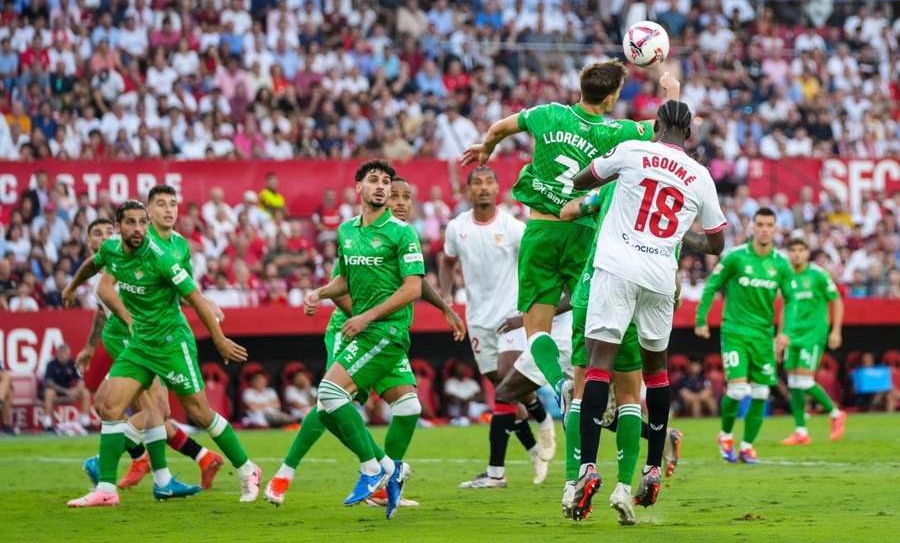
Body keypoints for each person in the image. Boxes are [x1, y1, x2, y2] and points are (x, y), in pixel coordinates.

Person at [461, 62, 679, 421]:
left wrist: (486, 148)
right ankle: (593, 389)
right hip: (585, 232)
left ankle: (560, 385)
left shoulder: (548, 114)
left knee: (535, 332)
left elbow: (500, 128)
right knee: (589, 322)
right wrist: (671, 91)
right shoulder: (618, 131)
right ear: (610, 99)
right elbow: (666, 132)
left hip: (541, 230)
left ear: (581, 87)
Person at [266, 163, 464, 519]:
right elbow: (345, 282)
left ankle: (378, 469)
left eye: (392, 186)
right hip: (352, 328)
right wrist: (321, 293)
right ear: (357, 187)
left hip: (379, 329)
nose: (387, 191)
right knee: (330, 400)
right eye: (377, 182)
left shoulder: (402, 233)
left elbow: (413, 286)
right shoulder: (346, 232)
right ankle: (300, 472)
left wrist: (371, 316)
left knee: (391, 405)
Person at [570, 100, 726, 524]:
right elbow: (716, 245)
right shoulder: (700, 176)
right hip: (660, 275)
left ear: (655, 125)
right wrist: (677, 238)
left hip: (616, 268)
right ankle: (654, 467)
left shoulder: (632, 151)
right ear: (689, 134)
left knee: (598, 365)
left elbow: (583, 181)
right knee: (655, 372)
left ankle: (586, 469)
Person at [62, 200, 259, 507]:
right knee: (110, 406)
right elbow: (93, 264)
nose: (139, 229)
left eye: (142, 222)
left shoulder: (162, 258)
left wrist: (219, 339)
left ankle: (247, 468)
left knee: (199, 413)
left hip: (171, 344)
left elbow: (193, 297)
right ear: (120, 227)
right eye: (131, 223)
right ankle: (106, 488)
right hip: (140, 345)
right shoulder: (112, 250)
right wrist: (72, 287)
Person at [551, 177, 685, 519]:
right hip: (643, 295)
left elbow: (568, 211)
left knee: (580, 390)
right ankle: (624, 489)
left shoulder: (613, 188)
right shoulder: (670, 200)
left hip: (595, 291)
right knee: (629, 397)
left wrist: (588, 211)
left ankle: (573, 483)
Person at [77, 215, 225, 490]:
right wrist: (89, 346)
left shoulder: (129, 261)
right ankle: (180, 465)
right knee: (114, 406)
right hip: (126, 341)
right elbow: (102, 313)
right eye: (97, 233)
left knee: (155, 409)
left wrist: (205, 302)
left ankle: (150, 466)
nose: (104, 237)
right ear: (88, 241)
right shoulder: (104, 269)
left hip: (145, 339)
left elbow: (170, 291)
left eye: (109, 231)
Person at [439, 166, 558, 488]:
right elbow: (447, 260)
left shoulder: (513, 227)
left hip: (511, 316)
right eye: (476, 183)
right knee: (507, 392)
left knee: (508, 382)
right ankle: (533, 450)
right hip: (478, 320)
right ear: (467, 191)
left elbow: (535, 263)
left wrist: (529, 310)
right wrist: (446, 294)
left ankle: (538, 428)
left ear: (497, 188)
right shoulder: (456, 228)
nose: (483, 188)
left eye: (489, 182)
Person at [695, 207, 793, 465]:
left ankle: (747, 446)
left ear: (775, 228)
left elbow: (792, 302)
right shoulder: (736, 257)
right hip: (735, 331)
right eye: (759, 224)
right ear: (752, 227)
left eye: (769, 225)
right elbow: (712, 285)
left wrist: (785, 334)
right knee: (738, 390)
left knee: (761, 392)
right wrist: (701, 319)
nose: (764, 229)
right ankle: (726, 435)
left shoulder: (781, 264)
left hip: (764, 336)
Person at [780, 238, 847, 445]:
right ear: (788, 253)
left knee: (805, 380)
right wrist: (781, 334)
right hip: (791, 335)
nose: (797, 254)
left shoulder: (818, 275)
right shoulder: (786, 276)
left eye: (801, 250)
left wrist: (836, 331)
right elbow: (785, 307)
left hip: (813, 335)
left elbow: (836, 301)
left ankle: (835, 413)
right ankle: (801, 430)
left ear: (807, 253)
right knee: (793, 383)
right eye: (793, 250)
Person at [42, 344, 92, 432]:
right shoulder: (51, 364)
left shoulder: (73, 363)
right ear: (57, 354)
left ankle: (85, 422)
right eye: (62, 353)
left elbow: (81, 381)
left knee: (85, 392)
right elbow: (49, 383)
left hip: (71, 393)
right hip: (57, 393)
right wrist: (65, 391)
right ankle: (48, 424)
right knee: (49, 392)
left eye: (66, 353)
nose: (64, 355)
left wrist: (76, 390)